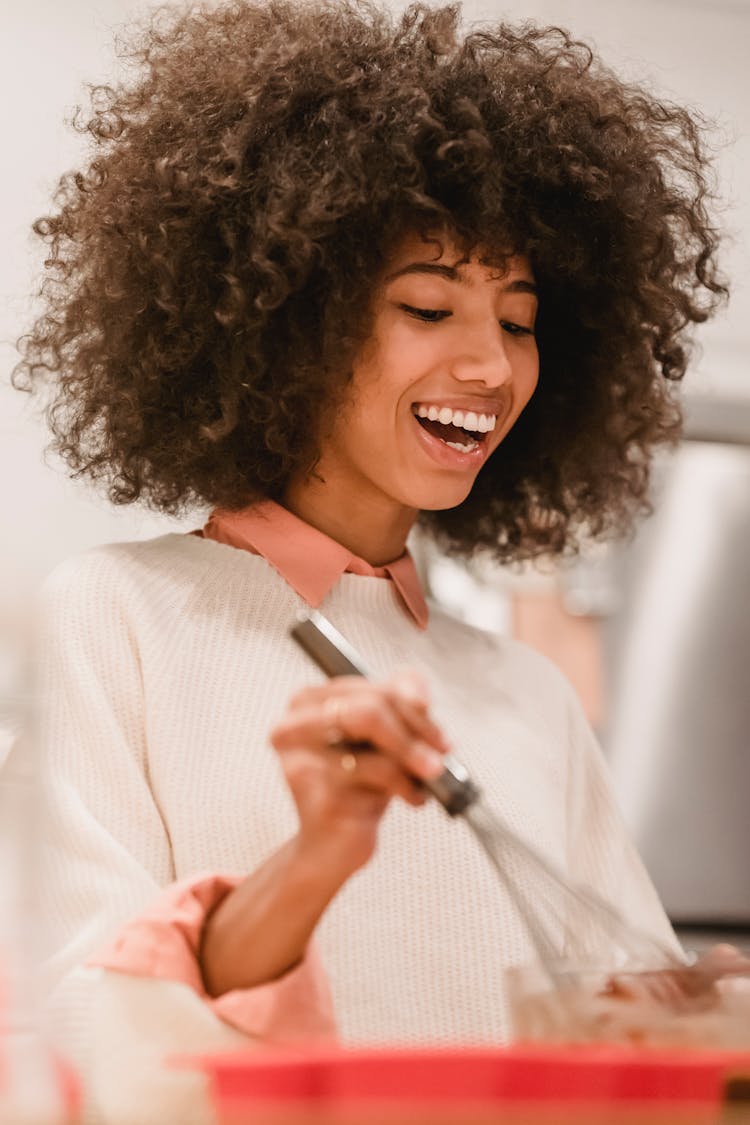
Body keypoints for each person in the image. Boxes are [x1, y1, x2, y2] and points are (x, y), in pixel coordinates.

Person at [8, 0, 737, 1117]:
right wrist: (317, 857)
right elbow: (80, 1038)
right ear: (285, 321)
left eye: (522, 318)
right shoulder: (115, 618)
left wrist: (698, 1022)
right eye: (428, 304)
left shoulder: (525, 696)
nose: (489, 366)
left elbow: (615, 1038)